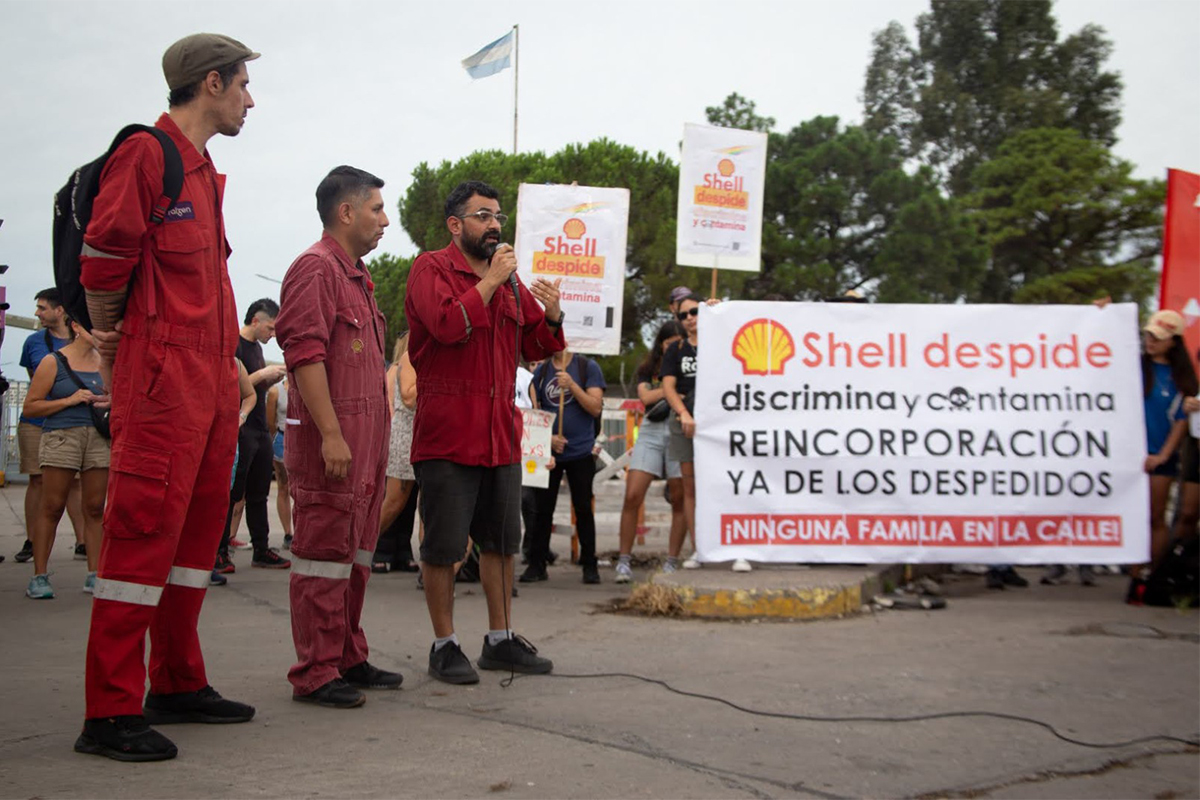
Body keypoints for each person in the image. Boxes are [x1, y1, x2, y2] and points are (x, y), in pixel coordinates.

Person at [76, 33, 260, 762]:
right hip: (162, 377)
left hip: (211, 380)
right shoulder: (146, 155)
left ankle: (177, 682)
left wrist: (229, 373)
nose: (252, 99)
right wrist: (114, 335)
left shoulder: (203, 170)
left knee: (193, 541)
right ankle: (109, 711)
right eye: (244, 84)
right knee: (140, 536)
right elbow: (104, 252)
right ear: (211, 83)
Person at [405, 180, 565, 685]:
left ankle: (500, 640)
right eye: (482, 216)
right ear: (455, 225)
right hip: (449, 434)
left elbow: (535, 347)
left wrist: (555, 314)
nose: (495, 225)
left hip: (500, 435)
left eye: (497, 216)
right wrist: (491, 282)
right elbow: (449, 327)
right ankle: (444, 644)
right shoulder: (431, 269)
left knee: (500, 542)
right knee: (444, 546)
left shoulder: (511, 282)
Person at [276, 165, 401, 709]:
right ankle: (316, 671)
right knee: (323, 556)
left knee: (354, 558)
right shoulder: (315, 269)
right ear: (345, 212)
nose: (385, 220)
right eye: (376, 209)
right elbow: (303, 355)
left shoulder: (356, 277)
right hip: (337, 446)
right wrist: (330, 434)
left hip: (365, 450)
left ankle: (348, 655)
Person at [21, 317, 110, 598]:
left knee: (95, 507)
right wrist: (69, 399)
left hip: (98, 438)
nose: (98, 334)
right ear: (75, 327)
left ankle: (95, 574)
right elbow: (31, 407)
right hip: (62, 435)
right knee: (52, 506)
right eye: (90, 328)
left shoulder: (105, 362)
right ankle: (39, 576)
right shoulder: (53, 361)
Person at [663, 293, 745, 572]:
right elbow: (668, 387)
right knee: (691, 488)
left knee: (729, 483)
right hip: (687, 423)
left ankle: (737, 549)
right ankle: (700, 549)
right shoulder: (676, 350)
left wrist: (719, 311)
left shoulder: (721, 342)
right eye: (683, 315)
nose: (690, 319)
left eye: (695, 312)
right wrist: (683, 414)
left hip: (721, 424)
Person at [215, 299, 289, 571]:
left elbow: (254, 386)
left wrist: (270, 379)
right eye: (270, 328)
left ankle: (261, 548)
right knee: (232, 492)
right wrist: (262, 375)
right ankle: (219, 550)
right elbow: (231, 383)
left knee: (259, 492)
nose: (272, 335)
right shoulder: (232, 345)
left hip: (258, 427)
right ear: (255, 321)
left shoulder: (257, 348)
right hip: (239, 427)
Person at [14, 288, 86, 565]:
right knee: (37, 479)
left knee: (77, 484)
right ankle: (32, 540)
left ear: (60, 311)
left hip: (72, 423)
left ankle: (82, 541)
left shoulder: (80, 341)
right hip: (36, 422)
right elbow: (36, 381)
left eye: (43, 308)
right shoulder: (34, 343)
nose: (38, 313)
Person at [1130, 310, 1197, 602]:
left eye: (1158, 337)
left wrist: (1162, 454)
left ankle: (1153, 577)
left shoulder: (1182, 380)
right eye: (1148, 335)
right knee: (1133, 517)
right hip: (1128, 455)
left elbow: (1182, 423)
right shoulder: (1134, 367)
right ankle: (1135, 578)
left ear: (1174, 341)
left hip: (1160, 457)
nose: (1150, 341)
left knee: (1155, 517)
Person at [523, 348, 605, 584]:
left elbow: (595, 407)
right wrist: (548, 438)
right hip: (551, 453)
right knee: (542, 510)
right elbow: (535, 414)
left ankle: (590, 564)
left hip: (580, 451)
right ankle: (536, 564)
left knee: (582, 508)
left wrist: (572, 386)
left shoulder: (587, 368)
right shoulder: (542, 372)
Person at [615, 320, 687, 583]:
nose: (674, 348)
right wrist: (673, 390)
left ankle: (671, 560)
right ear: (661, 344)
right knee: (632, 493)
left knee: (679, 497)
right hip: (652, 430)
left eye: (679, 343)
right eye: (669, 344)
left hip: (680, 428)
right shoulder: (648, 367)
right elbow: (645, 398)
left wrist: (667, 392)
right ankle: (623, 561)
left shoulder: (691, 362)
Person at [372, 334, 419, 572]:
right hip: (405, 437)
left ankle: (403, 551)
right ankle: (363, 548)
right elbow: (409, 398)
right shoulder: (409, 359)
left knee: (411, 504)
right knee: (393, 502)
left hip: (423, 435)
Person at [265, 377, 293, 551]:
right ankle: (288, 533)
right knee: (284, 486)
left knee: (301, 489)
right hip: (282, 438)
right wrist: (275, 441)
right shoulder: (276, 391)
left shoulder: (307, 384)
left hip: (302, 437)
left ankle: (303, 532)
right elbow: (270, 422)